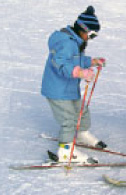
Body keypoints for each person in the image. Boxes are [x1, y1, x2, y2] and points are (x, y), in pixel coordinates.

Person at [41, 6, 107, 164]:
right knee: (69, 119)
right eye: (91, 34)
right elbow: (60, 64)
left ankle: (82, 133)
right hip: (57, 90)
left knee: (82, 111)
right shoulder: (66, 43)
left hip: (69, 88)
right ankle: (65, 151)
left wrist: (91, 61)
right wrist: (80, 73)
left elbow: (75, 60)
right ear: (82, 29)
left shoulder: (75, 42)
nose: (91, 38)